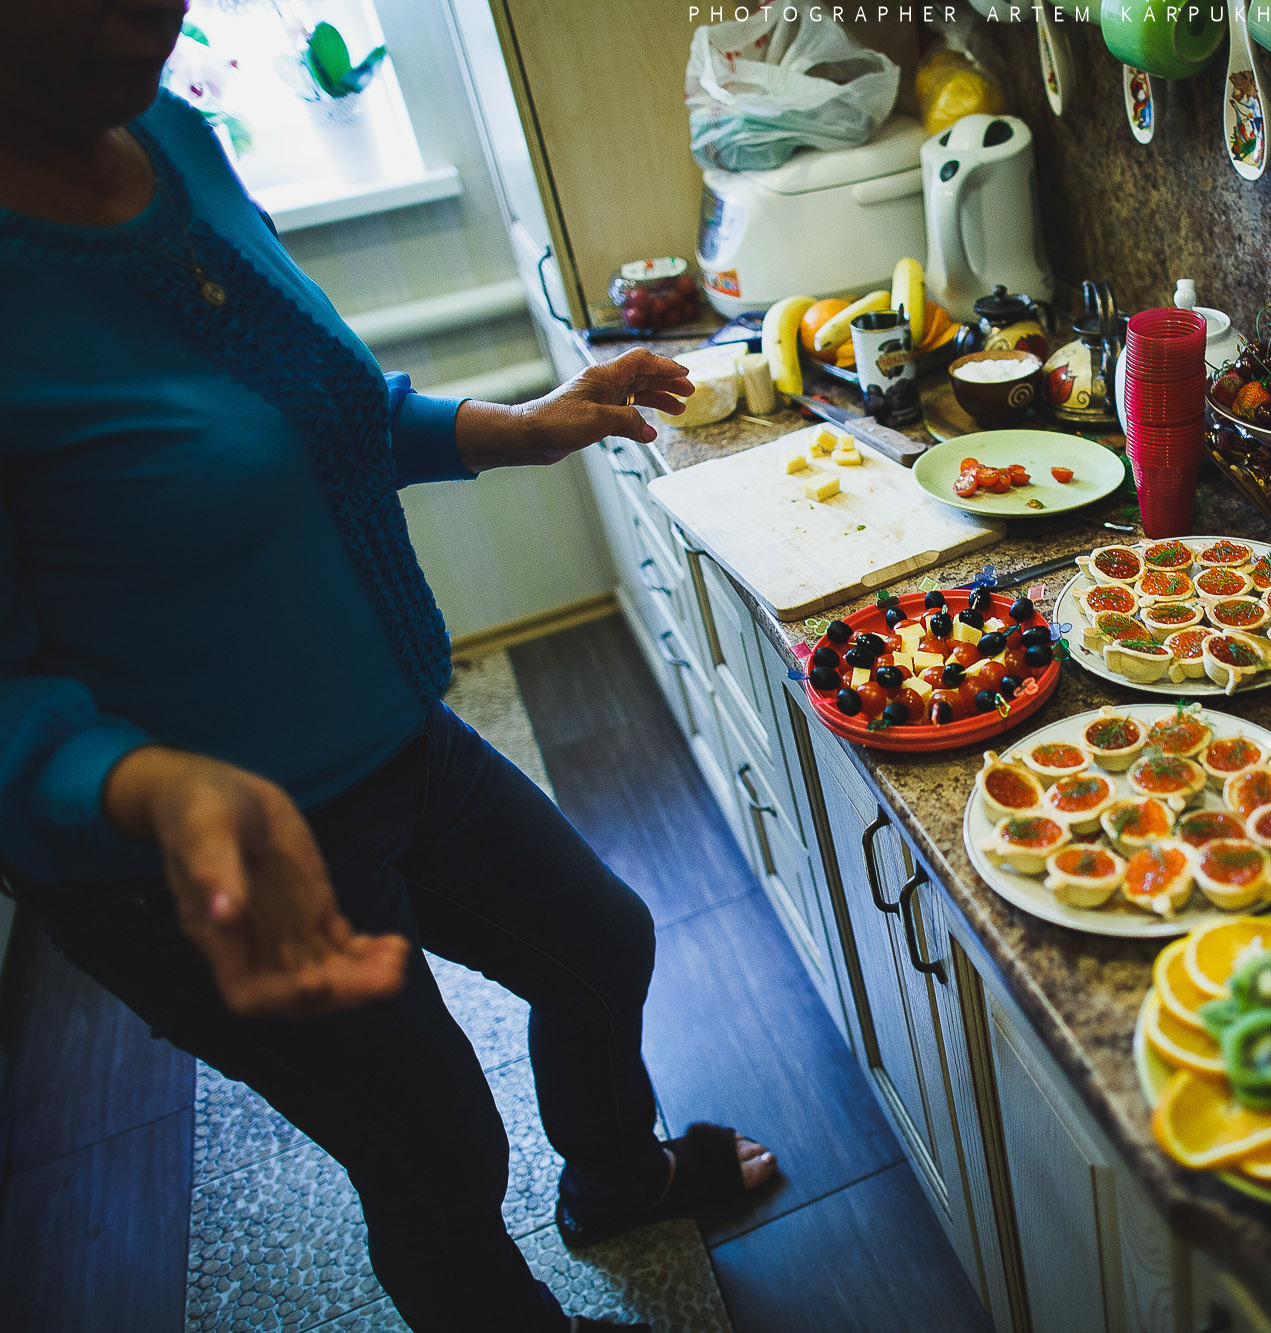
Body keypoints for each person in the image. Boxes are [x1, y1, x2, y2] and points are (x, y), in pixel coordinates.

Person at [0, 3, 776, 1329]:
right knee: (436, 1153)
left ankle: (616, 1180)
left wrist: (524, 427)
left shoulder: (169, 132)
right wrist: (164, 788)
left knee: (599, 945)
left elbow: (316, 412)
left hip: (391, 737)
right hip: (201, 864)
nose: (142, 15)